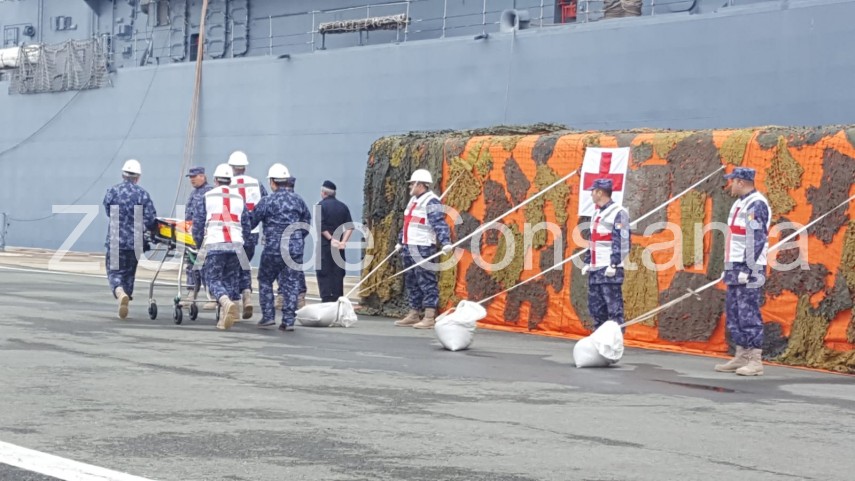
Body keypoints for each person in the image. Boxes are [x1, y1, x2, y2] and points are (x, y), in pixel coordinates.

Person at [715, 167, 770, 377]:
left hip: (749, 267)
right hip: (734, 265)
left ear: (741, 182)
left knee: (748, 312)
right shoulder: (740, 203)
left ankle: (755, 360)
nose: (730, 185)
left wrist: (748, 268)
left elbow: (756, 239)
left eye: (732, 181)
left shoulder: (756, 204)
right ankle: (741, 355)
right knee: (734, 311)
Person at [251, 163, 311, 331]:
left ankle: (268, 316)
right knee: (291, 283)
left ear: (272, 182)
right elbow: (306, 223)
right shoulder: (298, 200)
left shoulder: (267, 201)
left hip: (273, 248)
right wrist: (297, 239)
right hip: (294, 248)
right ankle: (288, 320)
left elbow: (252, 221)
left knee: (265, 279)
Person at [192, 163, 251, 330]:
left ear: (215, 180)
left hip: (215, 242)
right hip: (236, 244)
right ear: (231, 181)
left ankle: (225, 301)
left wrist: (199, 245)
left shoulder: (207, 196)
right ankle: (225, 317)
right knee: (230, 279)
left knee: (213, 279)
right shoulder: (239, 198)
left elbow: (198, 225)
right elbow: (246, 225)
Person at [394, 169, 453, 329]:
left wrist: (445, 242)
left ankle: (429, 316)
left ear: (420, 184)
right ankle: (414, 313)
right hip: (409, 245)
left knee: (427, 281)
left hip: (423, 246)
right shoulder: (413, 201)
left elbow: (439, 223)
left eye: (412, 184)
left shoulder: (431, 201)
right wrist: (400, 240)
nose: (410, 186)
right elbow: (408, 223)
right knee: (411, 281)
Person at [102, 159, 157, 319]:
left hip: (115, 240)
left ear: (123, 175)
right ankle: (126, 294)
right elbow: (150, 219)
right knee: (129, 273)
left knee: (114, 271)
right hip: (135, 242)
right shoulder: (142, 194)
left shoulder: (112, 192)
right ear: (137, 177)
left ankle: (120, 292)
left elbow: (108, 211)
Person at [581, 178, 631, 330]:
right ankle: (599, 338)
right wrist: (588, 261)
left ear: (600, 192)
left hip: (609, 270)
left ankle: (616, 340)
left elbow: (622, 241)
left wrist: (614, 263)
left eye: (593, 191)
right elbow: (593, 239)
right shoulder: (597, 213)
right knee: (596, 309)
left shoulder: (619, 213)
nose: (591, 195)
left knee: (614, 309)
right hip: (596, 268)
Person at [228, 150, 267, 319]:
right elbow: (265, 203)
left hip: (234, 232)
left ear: (231, 167)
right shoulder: (256, 183)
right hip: (252, 233)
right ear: (245, 167)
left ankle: (235, 305)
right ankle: (247, 294)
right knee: (244, 264)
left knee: (232, 268)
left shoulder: (227, 184)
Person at [316, 180, 353, 303]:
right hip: (339, 247)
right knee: (338, 273)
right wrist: (343, 242)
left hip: (325, 246)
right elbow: (349, 227)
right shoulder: (343, 207)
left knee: (324, 272)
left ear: (324, 193)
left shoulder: (320, 206)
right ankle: (337, 300)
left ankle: (326, 300)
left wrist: (331, 239)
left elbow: (320, 226)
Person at [184, 166, 211, 298]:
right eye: (190, 177)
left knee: (205, 266)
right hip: (191, 235)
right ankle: (191, 293)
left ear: (202, 176)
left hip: (204, 236)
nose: (192, 180)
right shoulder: (193, 193)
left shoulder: (209, 192)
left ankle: (211, 296)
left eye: (194, 177)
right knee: (191, 264)